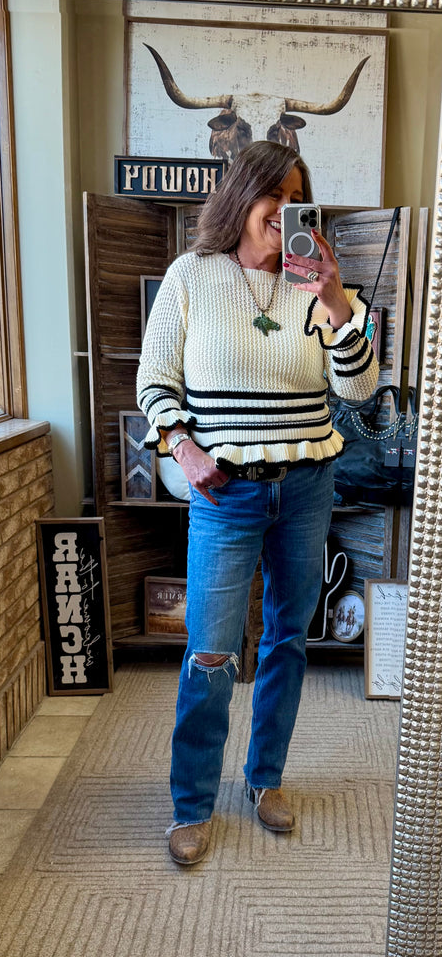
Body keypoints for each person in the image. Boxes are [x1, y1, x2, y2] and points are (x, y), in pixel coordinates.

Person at [136, 141, 379, 866]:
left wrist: (335, 300)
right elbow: (154, 381)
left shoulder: (321, 286)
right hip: (225, 494)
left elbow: (360, 389)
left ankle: (265, 778)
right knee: (211, 651)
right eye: (274, 194)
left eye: (298, 198)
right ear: (242, 196)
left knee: (286, 640)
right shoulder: (191, 275)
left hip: (306, 489)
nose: (285, 210)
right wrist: (185, 451)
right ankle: (190, 804)